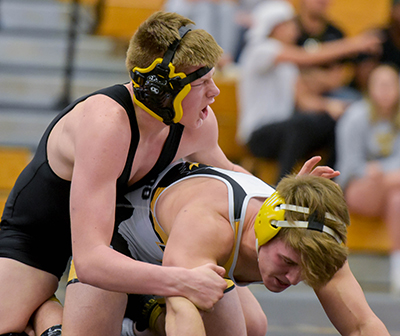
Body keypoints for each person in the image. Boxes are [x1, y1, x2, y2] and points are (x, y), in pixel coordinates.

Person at [0, 10, 260, 336]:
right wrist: (181, 280)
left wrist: (287, 198)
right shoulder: (107, 123)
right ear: (159, 88)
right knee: (6, 325)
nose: (215, 92)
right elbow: (92, 260)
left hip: (123, 233)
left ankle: (141, 312)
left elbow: (232, 175)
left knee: (252, 325)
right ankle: (44, 315)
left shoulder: (198, 122)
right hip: (44, 232)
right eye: (202, 82)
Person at [98, 159, 389, 336]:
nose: (293, 278)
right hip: (116, 242)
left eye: (304, 271)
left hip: (174, 261)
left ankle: (142, 319)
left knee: (253, 325)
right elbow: (182, 310)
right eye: (287, 262)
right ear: (266, 227)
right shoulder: (212, 224)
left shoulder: (310, 237)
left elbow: (362, 325)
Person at [236, 0, 382, 183]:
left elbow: (304, 101)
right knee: (299, 125)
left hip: (285, 131)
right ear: (276, 27)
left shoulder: (286, 65)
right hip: (258, 135)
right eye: (290, 25)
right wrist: (354, 45)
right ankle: (283, 189)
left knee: (335, 122)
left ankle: (327, 185)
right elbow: (308, 57)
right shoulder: (260, 50)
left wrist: (331, 106)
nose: (296, 30)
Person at [335, 63, 400, 295]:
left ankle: (397, 267)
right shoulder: (355, 116)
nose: (385, 91)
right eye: (380, 85)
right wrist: (371, 172)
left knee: (397, 201)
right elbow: (348, 165)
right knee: (384, 185)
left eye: (390, 85)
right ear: (370, 88)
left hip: (391, 188)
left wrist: (383, 172)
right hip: (360, 188)